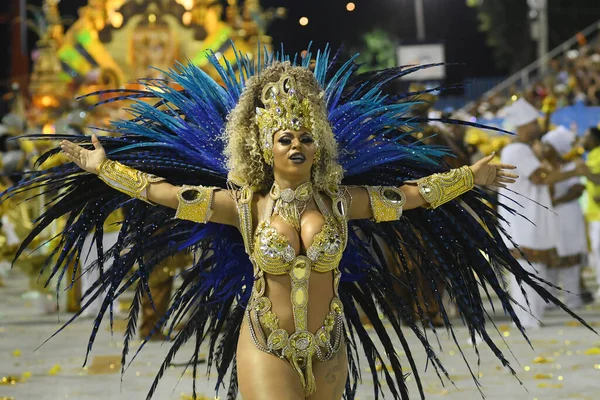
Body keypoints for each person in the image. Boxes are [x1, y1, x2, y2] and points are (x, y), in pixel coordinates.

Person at [7, 49, 588, 400]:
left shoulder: (342, 202)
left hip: (329, 339)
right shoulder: (243, 202)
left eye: (307, 136)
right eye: (285, 137)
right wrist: (101, 166)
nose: (298, 145)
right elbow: (160, 193)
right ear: (264, 143)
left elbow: (411, 196)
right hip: (267, 341)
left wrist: (471, 177)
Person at [499, 99, 587, 329]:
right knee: (528, 270)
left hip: (525, 220)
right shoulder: (517, 149)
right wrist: (574, 172)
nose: (537, 127)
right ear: (523, 126)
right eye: (533, 123)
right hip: (523, 222)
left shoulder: (520, 149)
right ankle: (528, 320)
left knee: (532, 270)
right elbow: (541, 178)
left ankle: (530, 318)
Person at [541, 126, 586, 309]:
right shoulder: (541, 167)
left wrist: (557, 200)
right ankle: (551, 300)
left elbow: (578, 189)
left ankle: (573, 299)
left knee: (571, 259)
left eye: (547, 146)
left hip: (568, 215)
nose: (544, 149)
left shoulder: (571, 166)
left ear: (556, 147)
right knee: (551, 258)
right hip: (549, 217)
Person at [582, 126, 600, 300]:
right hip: (593, 214)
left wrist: (585, 172)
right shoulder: (591, 155)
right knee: (595, 252)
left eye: (586, 136)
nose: (583, 140)